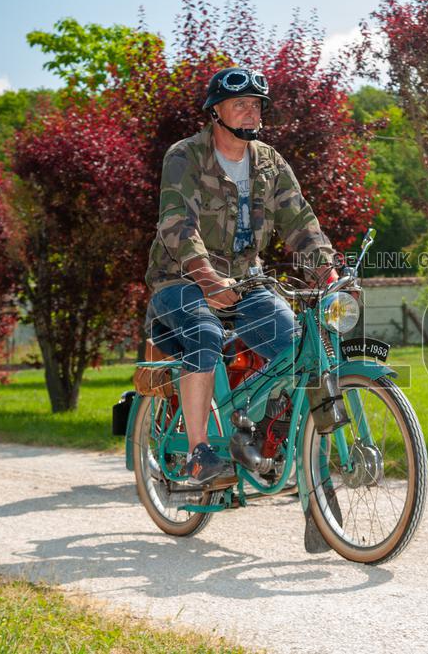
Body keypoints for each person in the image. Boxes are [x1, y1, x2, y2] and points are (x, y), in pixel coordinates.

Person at [144, 66, 340, 484]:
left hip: (246, 281)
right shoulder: (185, 157)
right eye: (240, 105)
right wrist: (207, 278)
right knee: (205, 335)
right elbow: (177, 224)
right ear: (215, 112)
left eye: (256, 105)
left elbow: (299, 222)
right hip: (179, 279)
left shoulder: (270, 162)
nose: (251, 113)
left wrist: (325, 269)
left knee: (297, 347)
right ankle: (199, 453)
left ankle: (264, 434)